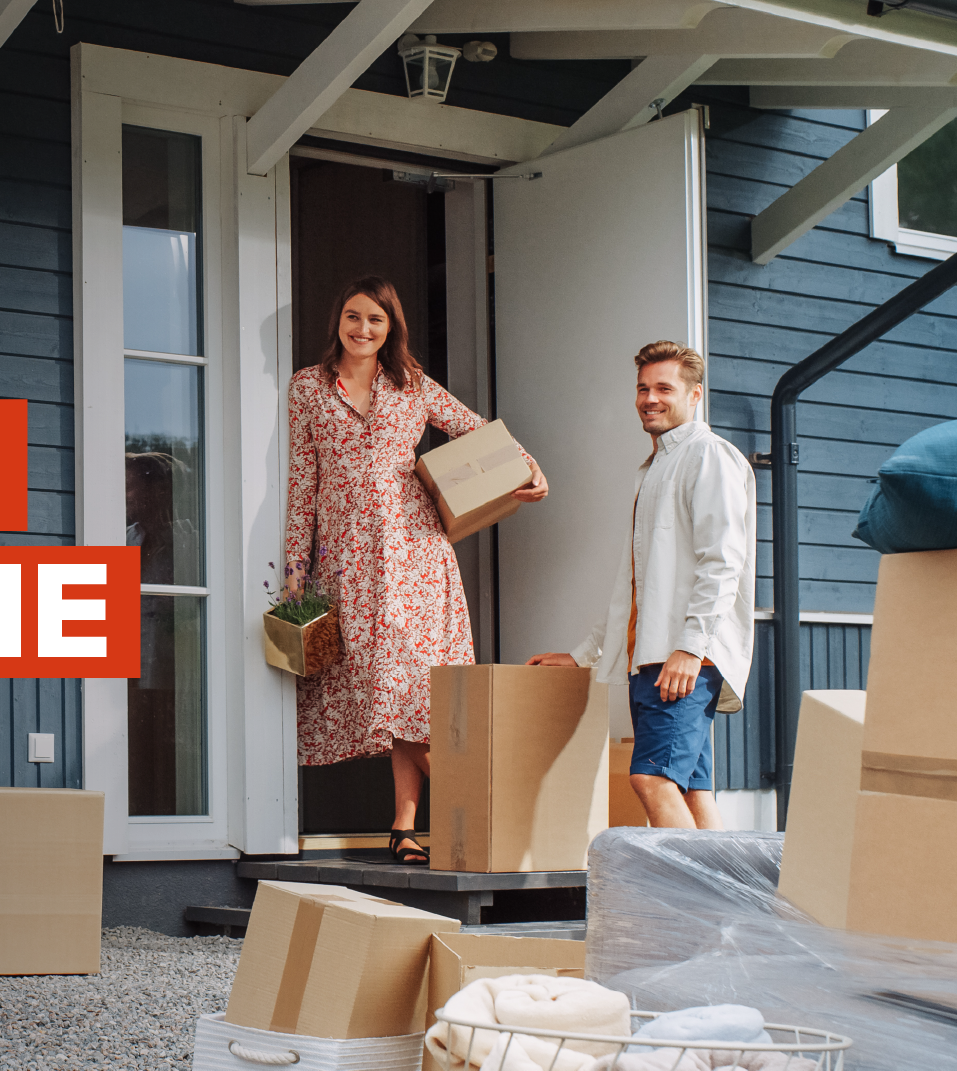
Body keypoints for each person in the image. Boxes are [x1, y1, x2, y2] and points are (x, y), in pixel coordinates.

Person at [284, 276, 547, 865]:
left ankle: (413, 823)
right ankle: (473, 813)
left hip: (416, 558)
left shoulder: (413, 385)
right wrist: (297, 568)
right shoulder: (307, 388)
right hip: (348, 561)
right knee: (387, 689)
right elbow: (304, 481)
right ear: (339, 321)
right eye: (353, 317)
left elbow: (479, 431)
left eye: (375, 320)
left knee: (414, 691)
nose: (362, 329)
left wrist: (528, 468)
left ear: (390, 327)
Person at [529, 341, 755, 830]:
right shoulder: (656, 468)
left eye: (664, 388)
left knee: (651, 780)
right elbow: (636, 587)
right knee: (692, 790)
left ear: (695, 395)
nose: (649, 398)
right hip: (656, 655)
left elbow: (722, 564)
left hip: (679, 659)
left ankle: (689, 907)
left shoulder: (708, 457)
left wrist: (690, 649)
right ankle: (726, 900)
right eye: (642, 389)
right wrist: (583, 653)